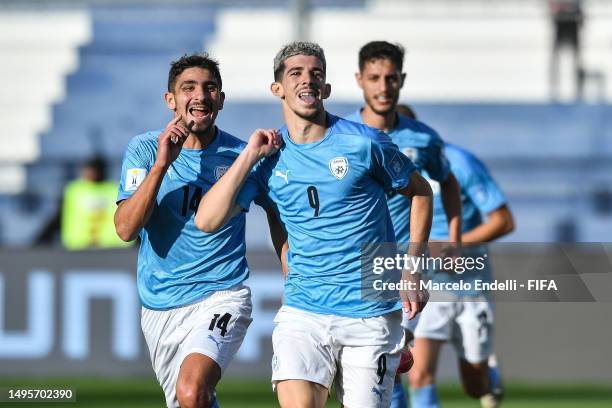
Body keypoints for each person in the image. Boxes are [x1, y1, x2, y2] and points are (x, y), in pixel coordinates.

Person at [195, 41, 433, 408]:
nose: (307, 80)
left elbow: (420, 193)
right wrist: (248, 155)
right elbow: (207, 219)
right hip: (304, 311)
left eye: (316, 74)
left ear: (326, 89)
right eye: (296, 73)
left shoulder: (364, 143)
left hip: (369, 312)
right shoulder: (267, 159)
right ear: (278, 89)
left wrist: (413, 269)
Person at [114, 53, 284, 408]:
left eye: (210, 88)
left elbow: (282, 222)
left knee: (192, 392)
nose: (200, 96)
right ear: (170, 100)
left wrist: (296, 282)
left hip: (222, 295)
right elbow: (126, 228)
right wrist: (162, 164)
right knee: (194, 400)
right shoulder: (145, 150)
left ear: (221, 98)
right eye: (188, 88)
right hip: (159, 305)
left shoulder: (244, 156)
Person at [346, 41, 463, 408]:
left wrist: (454, 238)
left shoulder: (423, 138)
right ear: (359, 80)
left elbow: (448, 183)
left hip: (402, 263)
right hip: (353, 264)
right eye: (375, 78)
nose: (383, 87)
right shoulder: (340, 134)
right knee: (374, 368)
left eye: (391, 78)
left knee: (394, 363)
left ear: (402, 80)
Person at [396, 104, 514, 408]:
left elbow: (504, 221)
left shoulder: (459, 163)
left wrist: (455, 244)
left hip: (467, 284)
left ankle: (490, 375)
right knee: (418, 373)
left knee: (476, 386)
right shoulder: (387, 166)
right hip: (426, 283)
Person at [36, 156, 131, 249]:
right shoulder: (74, 190)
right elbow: (58, 217)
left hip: (113, 248)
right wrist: (41, 240)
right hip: (79, 248)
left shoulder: (116, 190)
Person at [549, 0, 584, 100]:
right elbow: (553, 7)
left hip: (573, 26)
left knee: (576, 61)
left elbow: (580, 11)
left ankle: (578, 90)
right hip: (561, 25)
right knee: (556, 61)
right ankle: (554, 90)